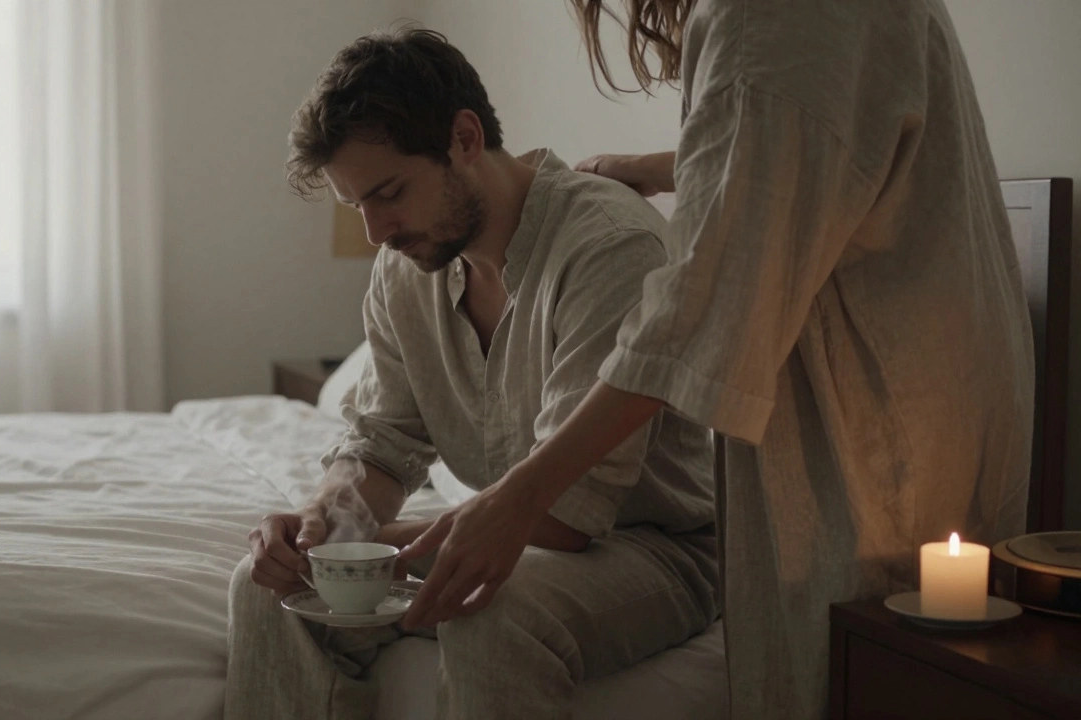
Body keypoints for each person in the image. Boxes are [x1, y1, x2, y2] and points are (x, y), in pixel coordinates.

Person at [396, 1, 1035, 718]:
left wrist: (517, 497)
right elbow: (819, 143)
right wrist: (668, 170)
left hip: (878, 438)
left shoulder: (771, 16)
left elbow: (685, 325)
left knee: (857, 675)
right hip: (933, 395)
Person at [224, 27, 720, 720]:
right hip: (515, 533)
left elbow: (569, 514)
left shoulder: (608, 247)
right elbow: (383, 445)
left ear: (463, 138)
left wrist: (367, 548)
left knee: (492, 608)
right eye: (356, 206)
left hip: (652, 549)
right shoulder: (407, 270)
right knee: (268, 587)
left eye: (389, 192)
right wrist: (323, 527)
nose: (375, 232)